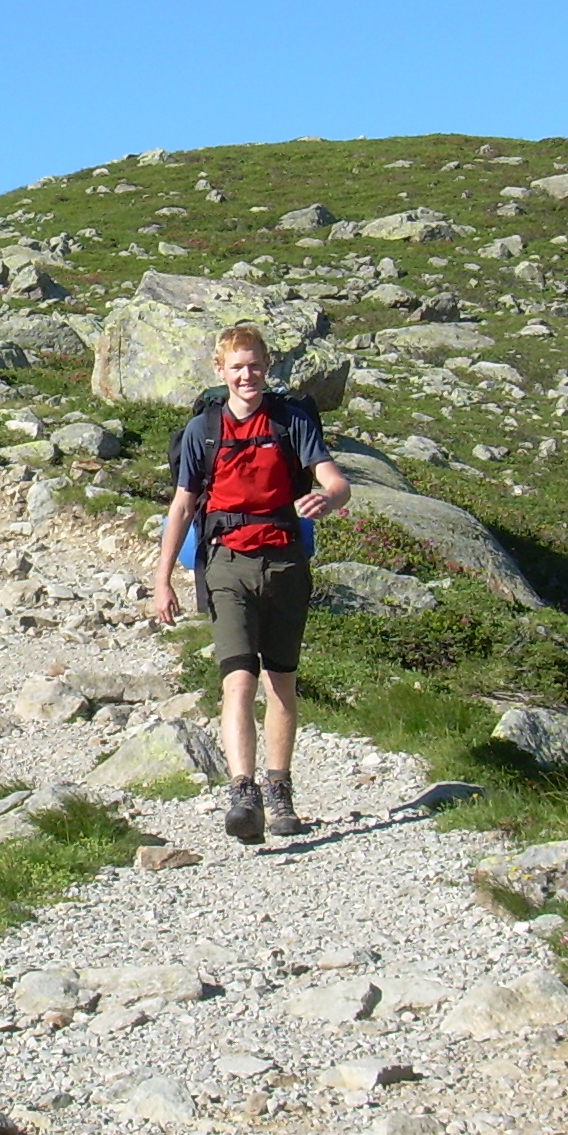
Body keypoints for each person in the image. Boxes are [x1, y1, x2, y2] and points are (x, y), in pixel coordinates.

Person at [152, 324, 351, 843]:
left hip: (285, 560)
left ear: (268, 367)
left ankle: (280, 787)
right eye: (237, 367)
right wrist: (163, 578)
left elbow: (336, 481)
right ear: (221, 371)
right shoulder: (203, 430)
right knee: (238, 678)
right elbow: (182, 506)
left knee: (280, 679)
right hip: (224, 563)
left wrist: (328, 499)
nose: (247, 376)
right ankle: (244, 792)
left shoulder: (290, 422)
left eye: (255, 366)